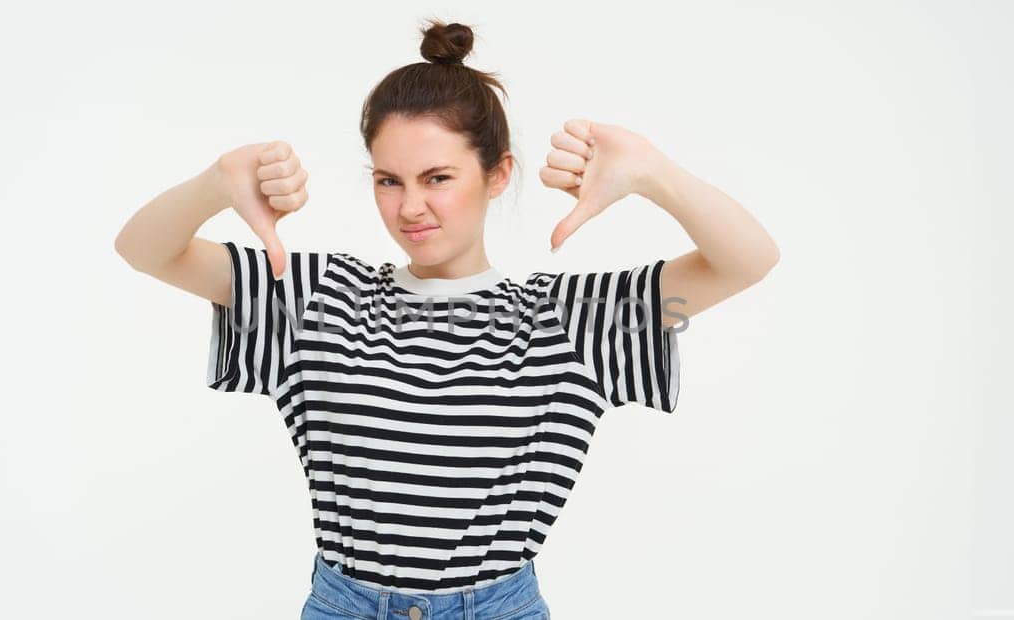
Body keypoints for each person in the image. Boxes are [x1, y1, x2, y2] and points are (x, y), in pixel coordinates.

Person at [114, 18, 778, 620]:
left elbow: (746, 261)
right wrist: (217, 182)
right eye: (388, 180)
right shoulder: (314, 297)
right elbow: (143, 250)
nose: (410, 208)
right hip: (344, 605)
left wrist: (653, 173)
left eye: (437, 178)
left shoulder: (571, 320)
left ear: (496, 176)